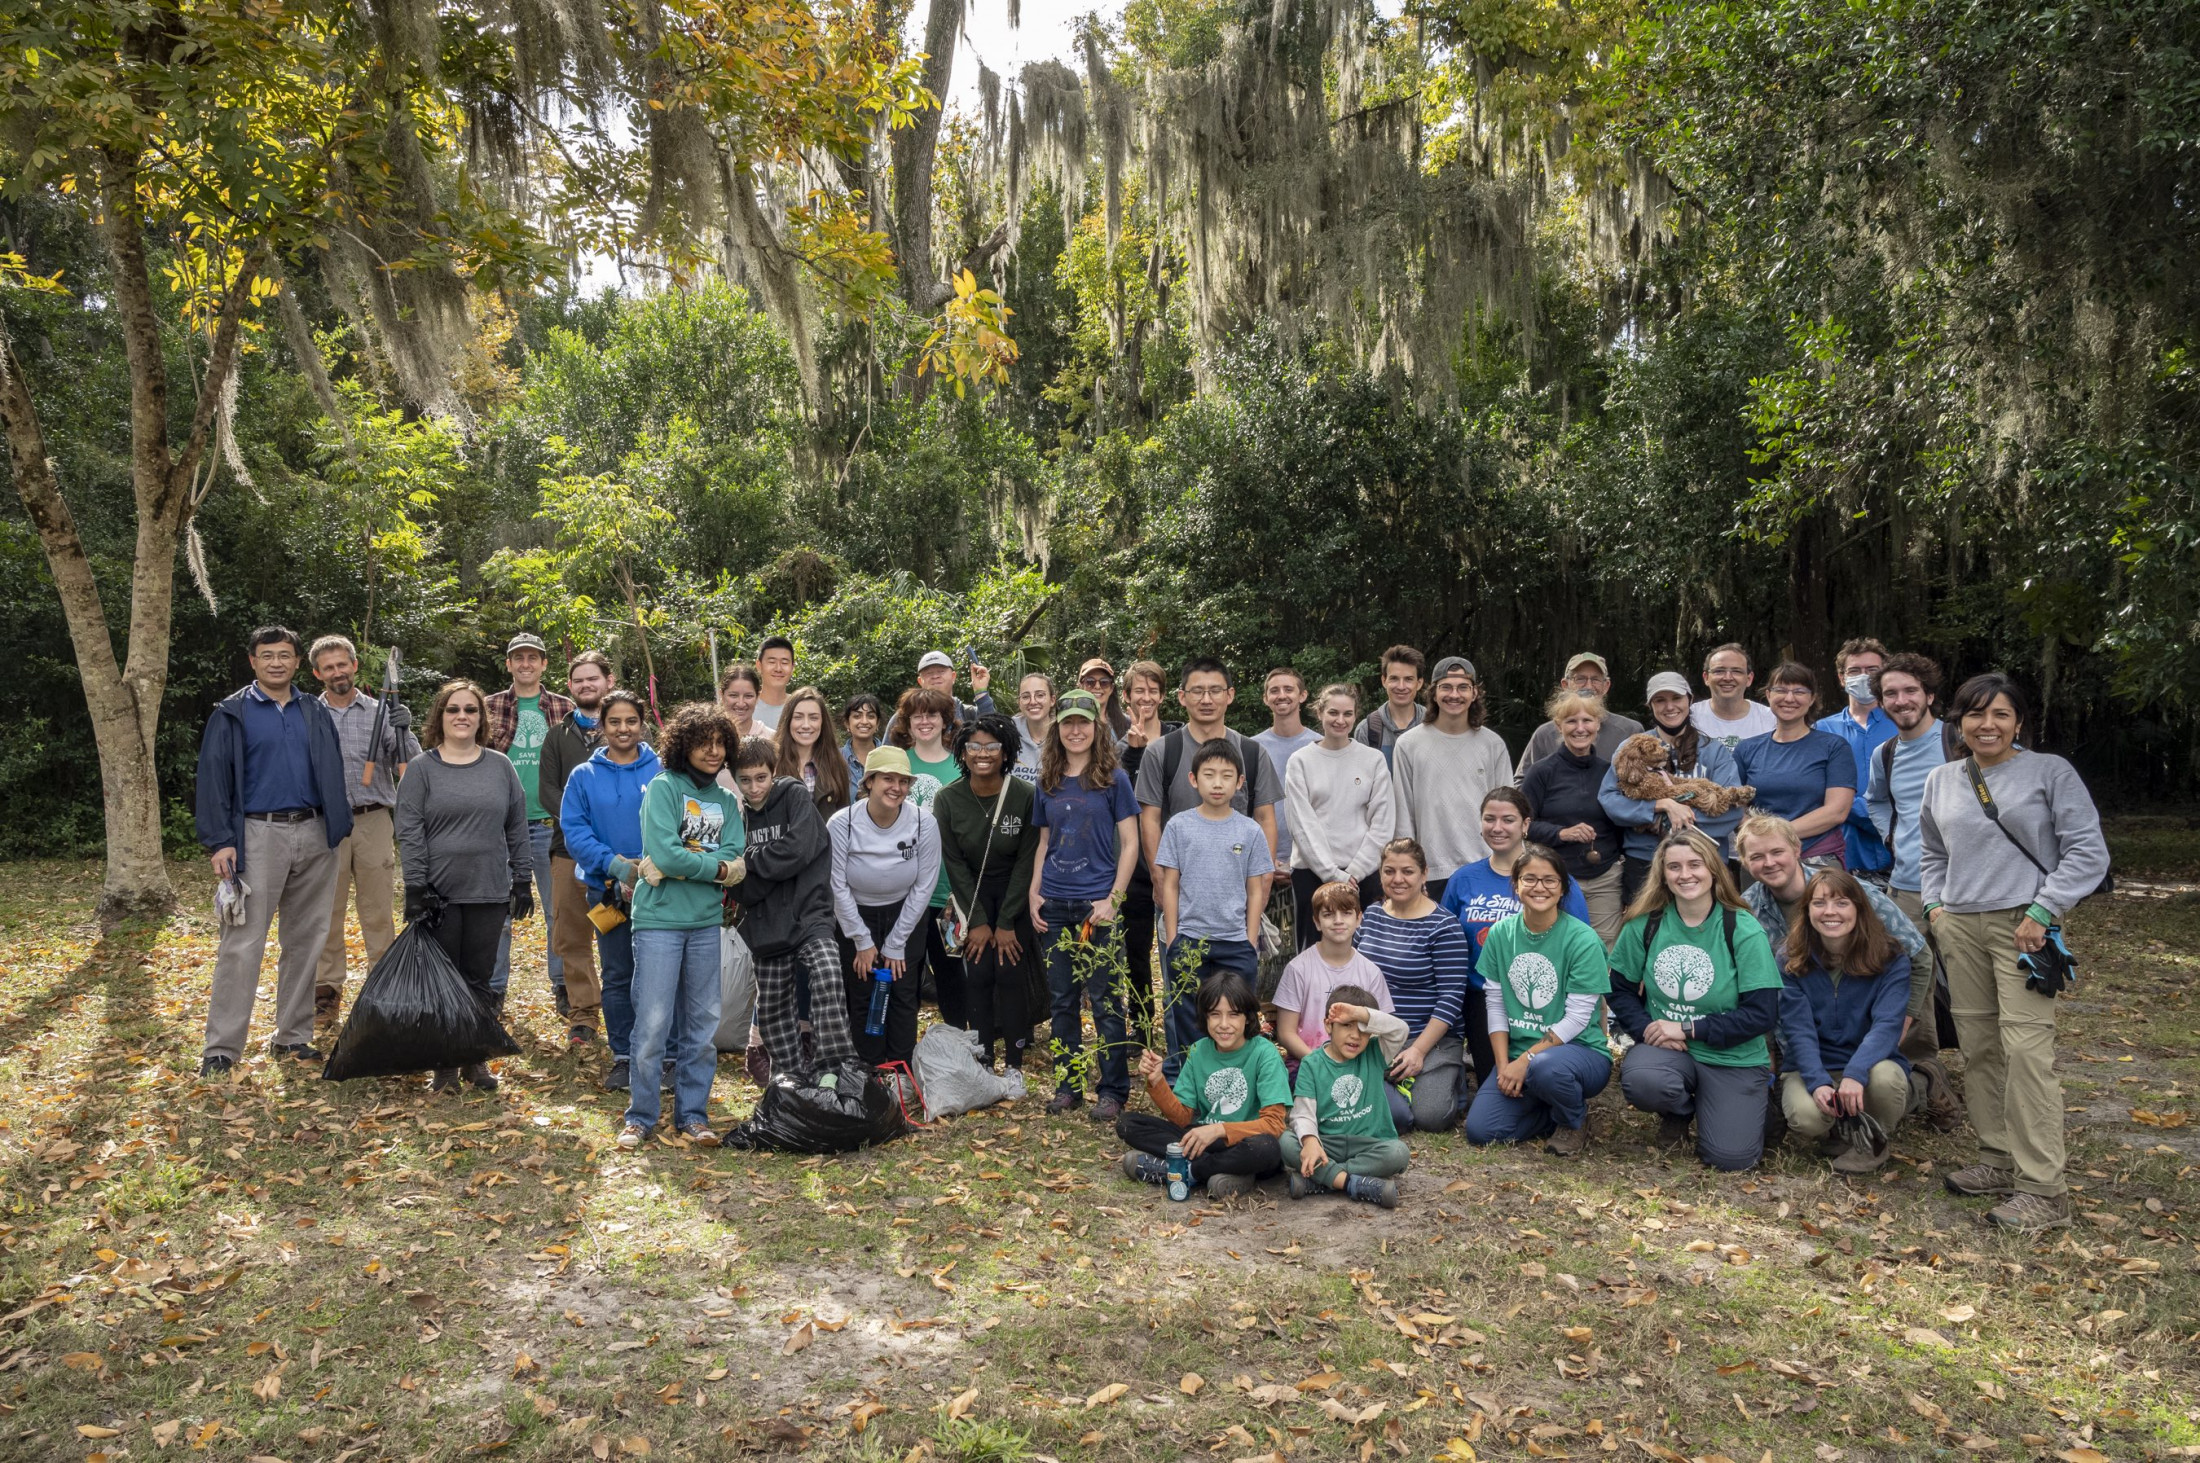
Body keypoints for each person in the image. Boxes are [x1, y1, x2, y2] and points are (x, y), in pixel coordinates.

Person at [1921, 673, 2109, 1233]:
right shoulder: (1942, 778)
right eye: (1976, 715)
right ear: (1959, 722)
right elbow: (1931, 851)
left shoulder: (2049, 772)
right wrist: (1935, 909)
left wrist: (2044, 910)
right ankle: (1997, 1158)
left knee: (2027, 1051)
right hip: (1960, 927)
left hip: (2025, 927)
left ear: (2019, 722)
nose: (1988, 725)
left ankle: (2044, 1189)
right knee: (1979, 1047)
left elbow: (2087, 852)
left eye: (2001, 714)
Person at [194, 626, 355, 1077]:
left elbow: (332, 766)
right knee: (242, 943)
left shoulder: (312, 711)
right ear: (253, 661)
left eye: (285, 655)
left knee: (305, 942)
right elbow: (212, 779)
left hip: (315, 833)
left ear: (298, 661)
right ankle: (222, 1049)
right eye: (268, 656)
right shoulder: (233, 712)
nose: (277, 663)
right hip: (255, 835)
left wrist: (336, 825)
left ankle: (292, 1037)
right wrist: (219, 840)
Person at [1607, 828, 1781, 1171]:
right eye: (1674, 867)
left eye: (1695, 864)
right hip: (1668, 1051)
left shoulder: (1741, 927)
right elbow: (1618, 989)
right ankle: (1679, 1111)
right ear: (1663, 875)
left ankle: (1746, 1106)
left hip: (1732, 1055)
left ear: (1713, 870)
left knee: (1732, 1159)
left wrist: (1686, 1028)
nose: (1685, 875)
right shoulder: (1646, 923)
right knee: (1644, 1080)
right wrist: (1648, 1030)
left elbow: (1762, 1013)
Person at [394, 678, 531, 1094]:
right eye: (454, 709)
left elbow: (517, 825)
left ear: (480, 718)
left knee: (479, 978)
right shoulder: (422, 769)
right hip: (440, 893)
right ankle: (445, 1065)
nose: (462, 717)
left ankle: (475, 1059)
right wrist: (416, 886)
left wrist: (522, 879)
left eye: (470, 710)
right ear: (440, 716)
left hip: (488, 890)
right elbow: (409, 829)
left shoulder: (499, 766)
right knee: (444, 980)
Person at [620, 702, 744, 1150]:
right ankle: (641, 1116)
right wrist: (715, 869)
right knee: (652, 1023)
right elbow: (666, 852)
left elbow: (736, 858)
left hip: (706, 921)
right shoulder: (663, 788)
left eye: (719, 744)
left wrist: (691, 865)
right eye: (703, 743)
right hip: (658, 921)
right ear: (683, 746)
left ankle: (693, 1114)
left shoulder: (727, 800)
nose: (713, 752)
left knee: (703, 1026)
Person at [1028, 689, 1141, 1120]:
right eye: (1068, 723)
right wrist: (1035, 891)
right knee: (1062, 1000)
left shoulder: (1115, 780)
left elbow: (1129, 845)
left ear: (1097, 727)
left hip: (1097, 907)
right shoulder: (1047, 781)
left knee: (1107, 999)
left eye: (1084, 722)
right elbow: (1043, 843)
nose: (1076, 730)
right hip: (1056, 904)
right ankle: (1068, 1085)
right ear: (1058, 728)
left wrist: (1112, 899)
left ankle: (1112, 1090)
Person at [1462, 845, 1613, 1157]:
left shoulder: (1582, 940)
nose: (1539, 887)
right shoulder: (1501, 934)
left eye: (1549, 880)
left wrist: (1525, 1062)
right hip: (1521, 1057)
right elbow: (1496, 1003)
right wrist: (1504, 1066)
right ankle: (1551, 1112)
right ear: (1516, 885)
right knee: (1482, 1131)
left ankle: (1572, 1121)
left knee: (1547, 1070)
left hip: (1578, 1054)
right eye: (1529, 879)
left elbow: (1577, 1019)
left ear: (1563, 889)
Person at [727, 735, 859, 1083]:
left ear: (774, 772)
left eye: (761, 777)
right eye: (745, 779)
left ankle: (835, 1068)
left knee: (829, 975)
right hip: (765, 925)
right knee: (772, 1007)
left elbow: (802, 848)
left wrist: (750, 863)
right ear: (735, 778)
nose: (754, 788)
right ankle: (791, 1075)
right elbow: (740, 885)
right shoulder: (734, 818)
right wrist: (771, 869)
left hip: (809, 913)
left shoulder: (794, 795)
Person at [1776, 869, 1921, 1174]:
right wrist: (1817, 1082)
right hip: (1815, 1063)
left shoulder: (1890, 957)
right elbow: (1798, 1030)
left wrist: (1855, 1073)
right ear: (1807, 910)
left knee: (1885, 1080)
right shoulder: (1791, 958)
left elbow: (1887, 1024)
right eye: (1819, 903)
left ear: (1859, 908)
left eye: (1841, 903)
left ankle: (1873, 1140)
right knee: (1806, 1118)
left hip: (1869, 1063)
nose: (1830, 912)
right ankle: (1838, 1128)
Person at [309, 634, 417, 1026]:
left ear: (354, 666)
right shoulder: (308, 714)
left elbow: (413, 764)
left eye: (343, 664)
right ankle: (326, 992)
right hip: (325, 823)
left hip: (373, 819)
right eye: (329, 666)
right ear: (318, 673)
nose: (337, 671)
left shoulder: (380, 711)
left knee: (377, 911)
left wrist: (406, 731)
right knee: (327, 912)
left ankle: (383, 990)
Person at [1441, 788, 1592, 1064]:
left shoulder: (1552, 878)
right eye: (1489, 819)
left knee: (1542, 1077)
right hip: (1482, 1000)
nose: (1497, 828)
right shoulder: (1463, 879)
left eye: (1508, 820)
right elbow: (1445, 944)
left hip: (1545, 1002)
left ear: (1525, 825)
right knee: (1498, 1079)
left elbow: (1583, 946)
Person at [557, 689, 659, 1093]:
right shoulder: (584, 776)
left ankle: (663, 1055)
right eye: (614, 722)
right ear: (602, 726)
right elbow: (575, 832)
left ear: (641, 723)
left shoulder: (661, 771)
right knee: (618, 973)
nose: (623, 729)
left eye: (630, 721)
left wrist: (647, 869)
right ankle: (624, 1056)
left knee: (658, 973)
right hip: (607, 892)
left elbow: (674, 823)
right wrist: (615, 867)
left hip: (658, 889)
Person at [1155, 739, 1275, 1077]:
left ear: (1240, 782)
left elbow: (1255, 889)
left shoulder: (1250, 830)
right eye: (1209, 775)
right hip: (1190, 939)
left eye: (1226, 776)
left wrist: (1250, 939)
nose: (1217, 783)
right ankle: (1188, 1081)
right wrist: (1174, 936)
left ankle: (1238, 1079)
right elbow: (1171, 884)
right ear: (1194, 780)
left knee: (1236, 1014)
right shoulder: (1179, 826)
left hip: (1236, 942)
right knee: (1188, 1013)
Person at [1117, 972, 1289, 1200]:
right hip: (1205, 1142)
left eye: (1234, 1014)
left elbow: (1274, 1124)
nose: (1224, 1024)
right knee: (1128, 1123)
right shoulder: (1198, 1050)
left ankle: (1188, 1171)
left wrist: (1218, 1130)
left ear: (1247, 1018)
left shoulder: (1264, 1053)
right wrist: (1157, 1081)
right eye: (1215, 1014)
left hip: (1245, 1142)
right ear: (1205, 1017)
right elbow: (1182, 1118)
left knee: (1266, 1147)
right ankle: (1226, 1172)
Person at [933, 715, 1042, 1070]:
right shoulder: (948, 799)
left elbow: (1026, 860)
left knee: (1009, 972)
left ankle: (1014, 1062)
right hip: (971, 894)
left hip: (1014, 892)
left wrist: (1007, 920)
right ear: (962, 753)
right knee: (978, 973)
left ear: (1006, 751)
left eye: (992, 746)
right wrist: (978, 920)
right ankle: (983, 1058)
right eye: (974, 746)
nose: (983, 753)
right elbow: (954, 863)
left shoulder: (1025, 796)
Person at [828, 746, 942, 1071]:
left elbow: (924, 884)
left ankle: (899, 1071)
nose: (896, 788)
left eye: (903, 781)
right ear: (869, 782)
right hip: (855, 915)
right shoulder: (842, 823)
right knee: (863, 993)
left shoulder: (924, 822)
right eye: (887, 779)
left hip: (905, 913)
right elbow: (836, 884)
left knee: (904, 994)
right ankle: (869, 1071)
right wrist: (861, 941)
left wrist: (896, 941)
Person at [1354, 838, 1474, 1132]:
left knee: (1430, 1117)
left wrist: (1419, 1051)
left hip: (1429, 1039)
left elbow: (1451, 998)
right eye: (1389, 871)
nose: (1397, 879)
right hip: (1377, 1036)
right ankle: (1391, 1083)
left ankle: (1453, 1079)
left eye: (1407, 871)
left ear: (1424, 874)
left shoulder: (1443, 926)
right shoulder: (1371, 916)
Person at [1599, 672, 1748, 906]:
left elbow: (1733, 808)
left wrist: (1675, 821)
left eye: (1676, 698)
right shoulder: (1633, 749)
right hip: (1645, 860)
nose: (1669, 706)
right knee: (1647, 933)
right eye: (1660, 700)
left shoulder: (1713, 751)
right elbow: (1609, 800)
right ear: (1650, 706)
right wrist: (1660, 806)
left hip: (1704, 861)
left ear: (1689, 700)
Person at [484, 632, 574, 1007]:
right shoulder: (486, 706)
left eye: (532, 657)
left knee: (560, 911)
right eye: (518, 657)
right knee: (497, 911)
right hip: (499, 826)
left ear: (543, 664)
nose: (525, 663)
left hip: (550, 825)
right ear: (508, 664)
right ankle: (493, 989)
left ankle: (563, 985)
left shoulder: (564, 707)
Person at [1283, 683, 1394, 950]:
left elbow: (1383, 821)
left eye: (1347, 714)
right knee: (1314, 951)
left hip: (1363, 875)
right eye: (1333, 713)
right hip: (1311, 873)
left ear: (1356, 716)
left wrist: (1354, 872)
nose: (1340, 720)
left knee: (1366, 951)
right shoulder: (1300, 761)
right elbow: (1302, 824)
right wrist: (1331, 873)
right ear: (1320, 712)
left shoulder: (1373, 760)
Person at [540, 650, 612, 1049]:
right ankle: (583, 1016)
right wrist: (583, 830)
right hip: (568, 853)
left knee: (618, 931)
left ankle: (625, 1009)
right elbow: (549, 792)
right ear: (570, 687)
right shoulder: (557, 736)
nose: (586, 685)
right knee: (572, 935)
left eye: (593, 679)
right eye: (579, 680)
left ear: (608, 681)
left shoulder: (627, 728)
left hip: (621, 856)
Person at [1391, 656, 1513, 889]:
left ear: (1474, 693)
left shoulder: (1492, 744)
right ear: (1433, 693)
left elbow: (1508, 813)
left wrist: (1509, 864)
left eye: (1463, 688)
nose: (1454, 695)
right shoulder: (1408, 745)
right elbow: (1403, 815)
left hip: (1485, 868)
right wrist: (1408, 870)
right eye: (1446, 687)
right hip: (1429, 871)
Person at [1281, 991, 1410, 1208]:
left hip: (1370, 1144)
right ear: (1329, 1025)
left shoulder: (1375, 1052)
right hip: (1326, 1145)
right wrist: (1310, 1141)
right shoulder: (1312, 1063)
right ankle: (1353, 1182)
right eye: (1347, 1025)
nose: (1355, 1036)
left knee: (1398, 1153)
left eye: (1363, 1029)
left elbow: (1401, 1030)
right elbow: (1303, 1113)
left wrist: (1360, 1013)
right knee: (1286, 1142)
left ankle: (1323, 1181)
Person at [1519, 690, 1626, 944]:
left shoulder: (1610, 772)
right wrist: (1561, 833)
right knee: (1555, 944)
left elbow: (1623, 822)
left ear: (1598, 724)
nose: (1580, 728)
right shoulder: (1541, 772)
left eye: (1587, 720)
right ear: (1559, 726)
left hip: (1605, 880)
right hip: (1555, 878)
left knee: (1604, 948)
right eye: (1571, 721)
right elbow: (1523, 827)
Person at [889, 686, 967, 1029]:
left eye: (932, 714)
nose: (924, 721)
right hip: (903, 889)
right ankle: (900, 1054)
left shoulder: (961, 765)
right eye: (917, 715)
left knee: (952, 974)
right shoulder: (897, 762)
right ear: (906, 722)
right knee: (904, 976)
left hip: (949, 892)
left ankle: (958, 1050)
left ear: (944, 720)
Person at [1732, 662, 1856, 869]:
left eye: (1799, 691)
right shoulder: (1746, 749)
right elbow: (1734, 805)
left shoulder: (1834, 747)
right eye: (1780, 690)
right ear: (1769, 695)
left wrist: (1774, 835)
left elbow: (1836, 811)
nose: (1789, 698)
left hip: (1817, 858)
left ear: (1812, 698)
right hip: (1761, 860)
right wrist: (1760, 838)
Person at [1112, 660, 1176, 1045]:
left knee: (1178, 946)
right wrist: (1133, 754)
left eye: (1153, 690)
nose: (1146, 697)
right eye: (1139, 690)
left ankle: (1186, 1025)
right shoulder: (1116, 747)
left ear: (1164, 696)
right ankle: (1141, 1027)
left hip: (1176, 860)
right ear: (1127, 696)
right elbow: (1119, 798)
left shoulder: (1178, 738)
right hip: (1135, 863)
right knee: (1137, 951)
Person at [1865, 653, 1952, 937]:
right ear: (1881, 703)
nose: (1901, 701)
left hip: (1961, 889)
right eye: (1891, 693)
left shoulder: (1960, 742)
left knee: (1962, 980)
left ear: (1929, 696)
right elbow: (1875, 800)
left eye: (1911, 690)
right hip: (1906, 889)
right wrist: (1891, 837)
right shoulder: (1884, 754)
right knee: (1909, 977)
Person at [1271, 881, 1392, 1068]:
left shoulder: (1371, 972)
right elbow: (1286, 1033)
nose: (1338, 920)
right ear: (1317, 922)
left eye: (1346, 913)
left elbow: (1381, 1027)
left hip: (1358, 1064)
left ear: (1359, 919)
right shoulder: (1298, 969)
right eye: (1328, 914)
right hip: (1309, 1062)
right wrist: (1320, 1063)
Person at [1814, 637, 1896, 878]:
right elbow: (1818, 787)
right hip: (1843, 855)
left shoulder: (1904, 725)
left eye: (1872, 670)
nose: (1864, 676)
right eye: (1855, 671)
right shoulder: (1822, 730)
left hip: (1901, 854)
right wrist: (1868, 813)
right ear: (1842, 678)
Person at [1254, 667, 1320, 907]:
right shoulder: (1252, 748)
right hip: (1262, 865)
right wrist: (1265, 860)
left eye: (1288, 689)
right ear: (1265, 699)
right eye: (1274, 690)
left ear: (1302, 695)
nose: (1281, 695)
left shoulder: (1320, 745)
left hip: (1312, 865)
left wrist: (1307, 860)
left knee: (1308, 943)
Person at [1515, 654, 1644, 775]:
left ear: (1606, 686)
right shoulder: (1544, 734)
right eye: (1580, 679)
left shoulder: (1630, 732)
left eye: (1595, 679)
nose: (1588, 686)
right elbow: (1522, 781)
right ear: (1565, 685)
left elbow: (1645, 780)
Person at [775, 685, 851, 820]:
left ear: (823, 722)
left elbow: (844, 820)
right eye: (798, 717)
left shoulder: (837, 764)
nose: (806, 725)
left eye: (813, 718)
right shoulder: (773, 763)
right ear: (788, 721)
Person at [882, 650, 994, 737]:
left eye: (941, 671)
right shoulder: (904, 717)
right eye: (929, 673)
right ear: (920, 681)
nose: (935, 676)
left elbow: (995, 735)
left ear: (953, 676)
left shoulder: (969, 714)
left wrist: (981, 691)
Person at [1690, 643, 1776, 751]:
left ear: (1749, 679)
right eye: (1719, 671)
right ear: (1706, 677)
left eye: (1736, 671)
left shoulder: (1770, 719)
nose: (1727, 678)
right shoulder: (1691, 718)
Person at [1355, 643, 1425, 763]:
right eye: (1394, 678)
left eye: (1408, 679)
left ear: (1419, 683)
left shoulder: (1433, 724)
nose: (1401, 686)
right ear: (1384, 681)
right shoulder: (1367, 730)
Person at [1010, 671, 1055, 784]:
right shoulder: (1008, 734)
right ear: (1019, 702)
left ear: (1052, 700)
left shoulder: (1065, 735)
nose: (1033, 702)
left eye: (1040, 695)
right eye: (1025, 697)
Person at [1078, 657, 1132, 740]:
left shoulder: (1127, 723)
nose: (1097, 686)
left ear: (1111, 688)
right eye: (1090, 681)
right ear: (1081, 686)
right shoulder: (1070, 723)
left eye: (1104, 682)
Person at [751, 636, 795, 731]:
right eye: (772, 662)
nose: (778, 669)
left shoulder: (799, 706)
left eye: (784, 662)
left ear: (792, 667)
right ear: (759, 666)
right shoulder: (746, 706)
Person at [840, 693, 884, 784]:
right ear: (847, 723)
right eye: (857, 716)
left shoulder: (890, 757)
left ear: (877, 723)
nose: (864, 721)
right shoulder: (835, 759)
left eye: (871, 716)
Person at [717, 663, 761, 741]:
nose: (741, 704)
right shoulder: (709, 735)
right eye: (733, 695)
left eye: (748, 696)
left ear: (757, 697)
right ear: (722, 696)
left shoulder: (771, 737)